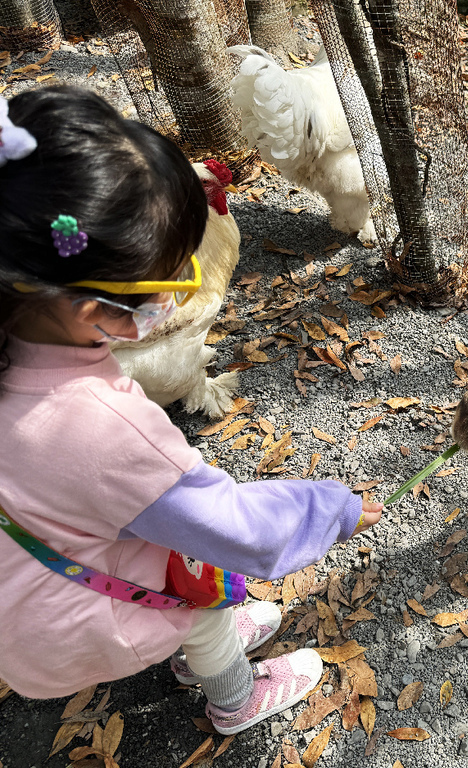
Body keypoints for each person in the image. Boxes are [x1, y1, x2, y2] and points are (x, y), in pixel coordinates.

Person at [0, 86, 383, 736]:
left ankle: (197, 631)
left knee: (184, 559)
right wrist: (333, 509)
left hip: (26, 575)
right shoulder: (102, 426)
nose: (177, 299)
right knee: (202, 582)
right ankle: (234, 699)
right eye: (169, 282)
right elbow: (238, 530)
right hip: (64, 614)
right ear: (95, 311)